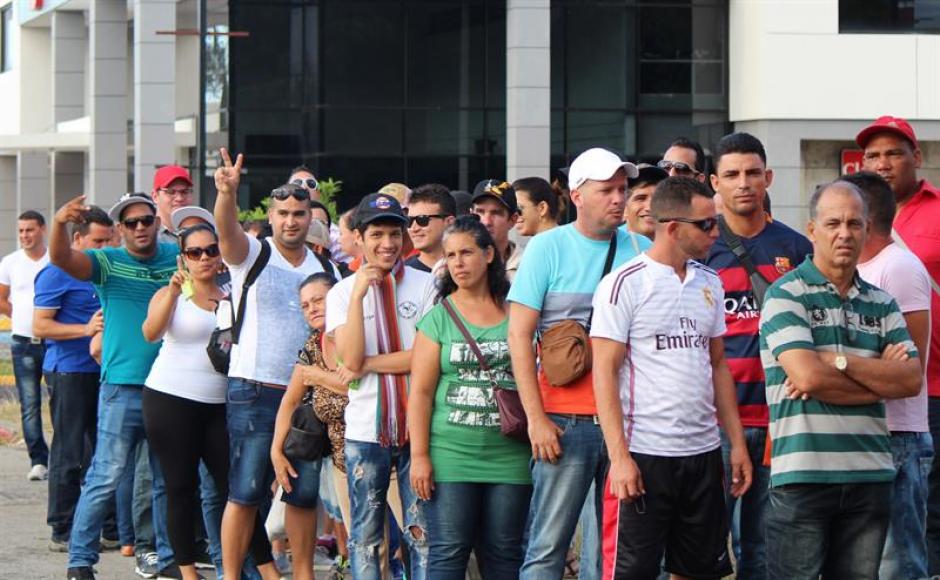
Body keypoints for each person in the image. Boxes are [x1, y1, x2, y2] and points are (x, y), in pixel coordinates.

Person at [760, 181, 923, 579]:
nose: (844, 233)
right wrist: (875, 380)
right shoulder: (786, 295)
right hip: (803, 477)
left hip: (870, 475)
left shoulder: (881, 302)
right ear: (812, 230)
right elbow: (808, 377)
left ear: (868, 229)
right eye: (833, 223)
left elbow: (909, 381)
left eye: (854, 223)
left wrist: (837, 361)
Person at [592, 176, 752, 579]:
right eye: (706, 225)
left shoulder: (709, 281)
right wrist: (620, 458)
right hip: (645, 454)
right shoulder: (623, 284)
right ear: (673, 227)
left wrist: (735, 443)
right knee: (633, 571)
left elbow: (718, 365)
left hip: (701, 453)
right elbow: (604, 373)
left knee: (698, 570)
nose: (716, 232)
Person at [507, 147, 650, 579]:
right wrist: (535, 419)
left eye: (623, 189)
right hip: (564, 423)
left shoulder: (644, 248)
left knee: (614, 552)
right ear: (577, 195)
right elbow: (518, 336)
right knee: (548, 546)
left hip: (628, 423)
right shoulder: (547, 248)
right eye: (606, 190)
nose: (618, 199)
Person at [213, 149, 333, 580]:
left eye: (299, 213)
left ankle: (303, 574)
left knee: (301, 495)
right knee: (244, 491)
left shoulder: (327, 267)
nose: (290, 221)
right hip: (254, 389)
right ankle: (230, 576)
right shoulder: (253, 254)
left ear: (311, 217)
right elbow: (226, 233)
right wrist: (226, 193)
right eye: (282, 213)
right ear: (271, 215)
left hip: (307, 396)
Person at [51, 193, 177, 580]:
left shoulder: (178, 257)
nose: (140, 227)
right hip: (122, 387)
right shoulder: (107, 262)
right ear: (120, 230)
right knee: (105, 476)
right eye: (131, 222)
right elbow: (60, 259)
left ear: (157, 221)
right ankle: (81, 561)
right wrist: (58, 225)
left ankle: (167, 558)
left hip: (171, 387)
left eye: (146, 220)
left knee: (166, 479)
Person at [704, 131, 813, 579]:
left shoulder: (797, 249)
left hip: (780, 425)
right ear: (715, 183)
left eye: (752, 173)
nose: (743, 183)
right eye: (731, 174)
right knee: (705, 550)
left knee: (766, 552)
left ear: (768, 177)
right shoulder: (699, 248)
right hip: (714, 425)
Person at [409, 216, 533, 578]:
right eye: (450, 255)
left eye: (466, 252)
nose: (458, 263)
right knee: (448, 554)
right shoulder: (438, 318)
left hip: (510, 453)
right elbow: (419, 393)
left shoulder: (517, 314)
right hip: (451, 454)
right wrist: (419, 456)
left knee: (504, 556)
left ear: (490, 254)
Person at [326, 192, 437, 580]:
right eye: (377, 234)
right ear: (359, 236)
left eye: (395, 234)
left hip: (420, 427)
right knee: (365, 536)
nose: (387, 244)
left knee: (421, 532)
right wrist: (358, 295)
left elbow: (424, 358)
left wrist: (366, 365)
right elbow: (349, 357)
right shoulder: (341, 293)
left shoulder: (426, 286)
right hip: (365, 429)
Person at [140, 223, 256, 580]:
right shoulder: (170, 293)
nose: (204, 258)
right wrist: (174, 293)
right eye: (195, 252)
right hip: (169, 398)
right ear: (183, 259)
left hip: (218, 403)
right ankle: (187, 573)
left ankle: (240, 568)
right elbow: (150, 333)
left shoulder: (233, 293)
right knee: (179, 487)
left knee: (233, 489)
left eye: (211, 250)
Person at [857, 116, 940, 575]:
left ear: (916, 158)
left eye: (894, 153)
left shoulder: (937, 210)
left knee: (923, 517)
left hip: (929, 386)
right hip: (876, 398)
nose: (884, 163)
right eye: (874, 155)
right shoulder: (856, 214)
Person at [33, 207, 112, 551]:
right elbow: (40, 326)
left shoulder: (108, 268)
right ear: (77, 240)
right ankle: (62, 527)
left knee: (106, 452)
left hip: (107, 370)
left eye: (110, 241)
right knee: (69, 450)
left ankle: (109, 525)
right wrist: (85, 329)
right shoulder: (56, 273)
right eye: (98, 241)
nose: (105, 248)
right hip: (69, 371)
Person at [270, 272, 352, 580]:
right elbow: (290, 401)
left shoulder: (355, 334)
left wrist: (318, 377)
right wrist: (276, 451)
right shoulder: (312, 344)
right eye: (305, 305)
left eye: (319, 300)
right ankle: (303, 574)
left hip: (358, 443)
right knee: (296, 470)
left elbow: (360, 385)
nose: (312, 308)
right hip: (322, 440)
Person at [0, 209, 50, 481]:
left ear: (42, 229)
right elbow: (1, 298)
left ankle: (68, 458)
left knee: (61, 402)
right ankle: (39, 460)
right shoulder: (10, 262)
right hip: (23, 342)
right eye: (20, 231)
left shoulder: (55, 259)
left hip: (55, 341)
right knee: (29, 403)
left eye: (29, 230)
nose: (24, 236)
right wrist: (20, 314)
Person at [471, 180, 523, 281]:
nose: (486, 222)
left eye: (496, 213)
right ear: (471, 214)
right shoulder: (452, 265)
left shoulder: (529, 264)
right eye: (480, 212)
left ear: (513, 219)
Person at [405, 184, 457, 273]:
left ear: (449, 222)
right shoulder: (401, 275)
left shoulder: (468, 270)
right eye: (409, 221)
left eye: (422, 220)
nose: (414, 228)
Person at [150, 165, 195, 243]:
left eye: (185, 192)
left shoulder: (201, 233)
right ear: (155, 196)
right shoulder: (146, 235)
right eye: (171, 192)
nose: (179, 198)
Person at [622, 164, 667, 240]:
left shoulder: (681, 246)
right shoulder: (607, 243)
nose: (650, 207)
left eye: (657, 199)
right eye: (641, 198)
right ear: (624, 207)